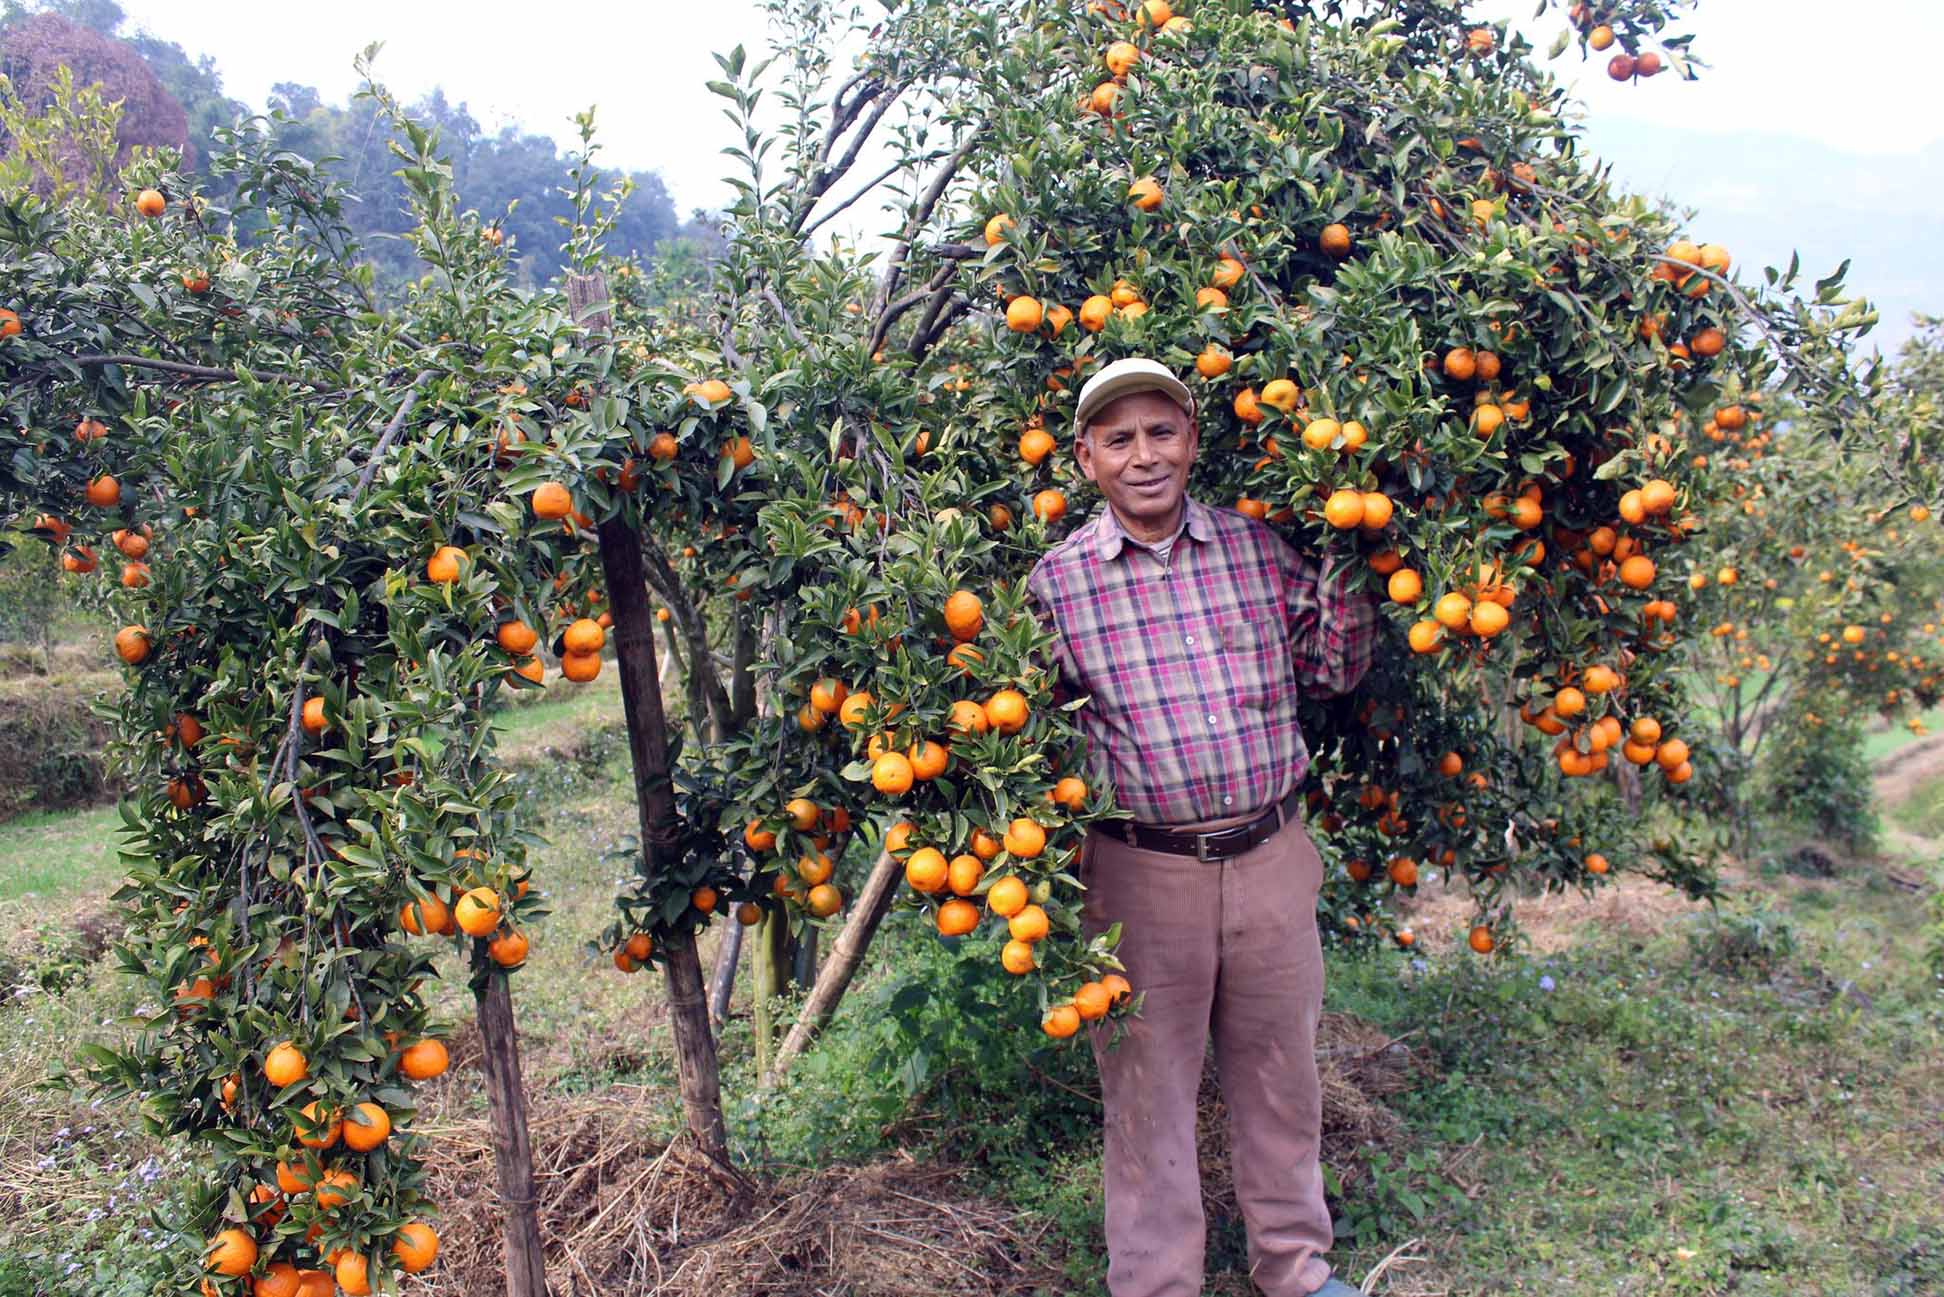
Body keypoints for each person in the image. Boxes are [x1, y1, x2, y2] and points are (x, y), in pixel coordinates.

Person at [1026, 357, 1377, 1297]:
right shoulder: (1055, 588)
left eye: (1161, 432)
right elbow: (1026, 738)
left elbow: (1334, 671)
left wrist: (1354, 551)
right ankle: (1155, 1282)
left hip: (1268, 854)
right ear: (1087, 458)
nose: (1144, 456)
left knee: (1281, 1077)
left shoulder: (1258, 551)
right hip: (1141, 874)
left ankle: (1296, 1268)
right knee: (1147, 1097)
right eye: (1119, 439)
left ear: (1190, 436)